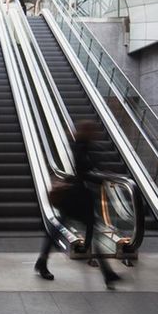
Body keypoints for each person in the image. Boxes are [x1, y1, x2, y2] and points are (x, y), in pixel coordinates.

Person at [36, 120, 121, 288]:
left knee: (79, 231)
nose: (95, 133)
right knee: (61, 230)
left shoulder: (87, 145)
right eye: (92, 130)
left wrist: (101, 175)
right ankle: (42, 261)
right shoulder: (80, 146)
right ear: (87, 131)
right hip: (76, 197)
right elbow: (83, 172)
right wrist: (103, 177)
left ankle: (107, 273)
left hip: (82, 196)